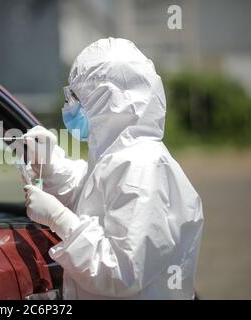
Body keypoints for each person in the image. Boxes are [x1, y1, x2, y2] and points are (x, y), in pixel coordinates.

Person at [23, 38, 204, 299]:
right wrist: (51, 166)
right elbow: (91, 197)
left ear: (106, 98)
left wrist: (59, 219)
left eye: (76, 96)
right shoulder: (120, 157)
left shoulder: (144, 168)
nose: (69, 106)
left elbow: (121, 272)